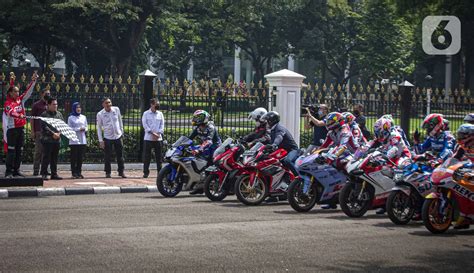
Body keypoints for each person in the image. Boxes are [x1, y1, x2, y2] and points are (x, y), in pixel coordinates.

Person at [2, 72, 38, 178]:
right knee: (11, 151)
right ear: (10, 93)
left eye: (18, 91)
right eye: (15, 92)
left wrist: (34, 81)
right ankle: (8, 172)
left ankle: (16, 170)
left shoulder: (20, 100)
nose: (18, 93)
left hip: (21, 129)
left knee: (19, 151)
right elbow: (10, 112)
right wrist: (19, 115)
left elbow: (28, 92)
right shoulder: (8, 103)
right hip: (12, 130)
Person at [260, 111, 299, 202]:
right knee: (269, 165)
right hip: (281, 151)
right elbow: (267, 141)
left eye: (267, 120)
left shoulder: (279, 128)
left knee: (287, 161)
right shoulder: (272, 130)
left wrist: (274, 145)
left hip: (292, 150)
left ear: (272, 121)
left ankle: (299, 179)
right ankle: (274, 194)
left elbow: (279, 137)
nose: (266, 122)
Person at [188, 109, 221, 194]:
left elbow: (209, 141)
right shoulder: (198, 128)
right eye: (196, 117)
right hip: (206, 148)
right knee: (197, 164)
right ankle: (200, 186)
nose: (196, 119)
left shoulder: (210, 127)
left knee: (210, 166)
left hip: (215, 148)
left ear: (204, 118)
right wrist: (180, 145)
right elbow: (189, 138)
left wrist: (200, 148)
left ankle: (217, 184)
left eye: (199, 117)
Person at [451, 124, 474, 229]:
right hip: (470, 172)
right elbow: (454, 158)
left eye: (462, 135)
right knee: (460, 188)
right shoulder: (462, 147)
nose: (459, 137)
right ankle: (466, 216)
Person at [97, 98, 126, 178]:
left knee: (120, 155)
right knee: (107, 156)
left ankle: (121, 171)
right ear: (103, 104)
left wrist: (122, 132)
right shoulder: (100, 114)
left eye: (109, 102)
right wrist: (100, 140)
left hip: (118, 136)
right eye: (106, 103)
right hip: (108, 137)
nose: (108, 104)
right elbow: (99, 128)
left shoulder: (116, 110)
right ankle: (108, 172)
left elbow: (120, 121)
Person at [40, 97, 63, 180]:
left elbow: (62, 125)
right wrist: (53, 134)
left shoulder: (59, 114)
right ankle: (44, 173)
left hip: (57, 140)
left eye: (56, 104)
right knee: (46, 157)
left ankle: (54, 174)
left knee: (54, 158)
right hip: (47, 140)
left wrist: (59, 133)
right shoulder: (44, 114)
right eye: (53, 104)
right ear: (48, 105)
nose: (55, 106)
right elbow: (44, 127)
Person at [141, 98, 165, 178]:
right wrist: (152, 133)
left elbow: (162, 125)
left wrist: (158, 133)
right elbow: (145, 125)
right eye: (156, 104)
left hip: (158, 138)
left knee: (159, 157)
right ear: (151, 104)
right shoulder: (146, 113)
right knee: (147, 157)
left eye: (158, 104)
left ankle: (160, 173)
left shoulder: (160, 114)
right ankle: (146, 172)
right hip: (148, 138)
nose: (157, 105)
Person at [30, 87, 51, 176]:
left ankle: (45, 170)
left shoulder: (50, 104)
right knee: (38, 151)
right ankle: (36, 170)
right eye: (47, 94)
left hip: (49, 131)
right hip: (39, 130)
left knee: (47, 152)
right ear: (42, 94)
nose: (48, 95)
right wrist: (32, 131)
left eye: (49, 94)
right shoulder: (36, 105)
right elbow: (32, 119)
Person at [68, 102, 88, 179]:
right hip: (74, 140)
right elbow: (69, 128)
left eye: (79, 107)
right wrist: (78, 129)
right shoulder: (70, 118)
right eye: (77, 107)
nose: (78, 109)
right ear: (74, 108)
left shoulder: (83, 117)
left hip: (82, 140)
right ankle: (74, 172)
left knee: (80, 157)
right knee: (74, 157)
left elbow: (86, 127)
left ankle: (79, 172)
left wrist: (84, 129)